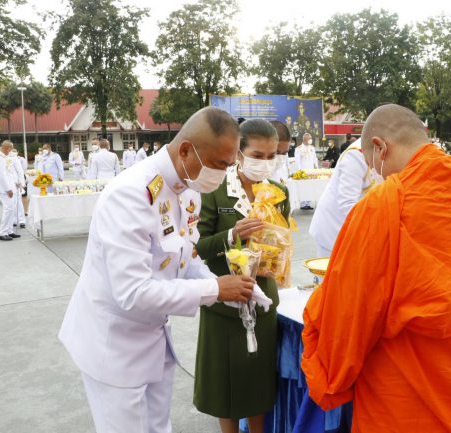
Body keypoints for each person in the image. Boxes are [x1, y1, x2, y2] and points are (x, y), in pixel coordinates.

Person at [301, 104, 451, 433]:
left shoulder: (382, 205)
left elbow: (350, 309)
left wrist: (325, 360)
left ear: (380, 148)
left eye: (372, 166)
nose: (377, 174)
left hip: (401, 392)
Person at [58, 107, 258, 433]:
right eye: (220, 164)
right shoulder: (131, 195)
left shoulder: (188, 186)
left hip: (153, 342)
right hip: (115, 349)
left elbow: (186, 260)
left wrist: (229, 288)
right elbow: (133, 292)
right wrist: (214, 290)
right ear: (185, 150)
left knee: (158, 427)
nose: (223, 174)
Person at [194, 119, 288, 433]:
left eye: (271, 156)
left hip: (262, 300)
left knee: (258, 382)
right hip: (223, 302)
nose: (265, 163)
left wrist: (277, 256)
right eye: (257, 155)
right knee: (225, 385)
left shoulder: (278, 192)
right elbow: (197, 247)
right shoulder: (214, 191)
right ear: (239, 153)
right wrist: (232, 234)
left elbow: (281, 242)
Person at [310, 139, 371, 257]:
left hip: (353, 229)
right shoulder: (357, 154)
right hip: (334, 227)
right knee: (332, 272)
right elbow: (347, 204)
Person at [0, 141, 21, 241]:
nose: (11, 151)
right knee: (8, 210)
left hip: (11, 187)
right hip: (5, 189)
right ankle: (3, 232)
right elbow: (2, 175)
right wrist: (8, 189)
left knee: (11, 210)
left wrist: (14, 185)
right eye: (10, 149)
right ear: (7, 148)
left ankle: (9, 231)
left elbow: (10, 173)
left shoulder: (5, 157)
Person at [294, 133, 318, 209]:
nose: (311, 140)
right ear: (304, 139)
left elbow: (315, 159)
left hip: (311, 171)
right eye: (309, 138)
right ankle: (303, 204)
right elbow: (297, 161)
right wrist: (300, 171)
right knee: (303, 187)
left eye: (311, 138)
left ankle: (308, 203)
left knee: (309, 187)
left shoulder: (312, 148)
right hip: (303, 172)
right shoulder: (299, 149)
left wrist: (316, 169)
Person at [269, 120, 291, 184]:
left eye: (284, 153)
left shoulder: (282, 171)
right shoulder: (255, 174)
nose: (280, 159)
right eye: (276, 153)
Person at [9, 149, 27, 228]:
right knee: (10, 204)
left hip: (16, 183)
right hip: (7, 184)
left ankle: (22, 220)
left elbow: (20, 171)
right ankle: (13, 220)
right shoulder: (0, 158)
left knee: (18, 203)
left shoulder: (14, 157)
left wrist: (22, 183)